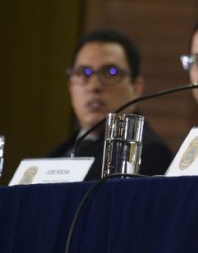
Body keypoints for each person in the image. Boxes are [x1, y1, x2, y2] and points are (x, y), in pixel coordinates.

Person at [48, 28, 173, 180]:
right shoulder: (55, 156)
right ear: (70, 87)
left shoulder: (147, 154)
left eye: (110, 72)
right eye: (83, 73)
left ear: (136, 88)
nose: (94, 86)